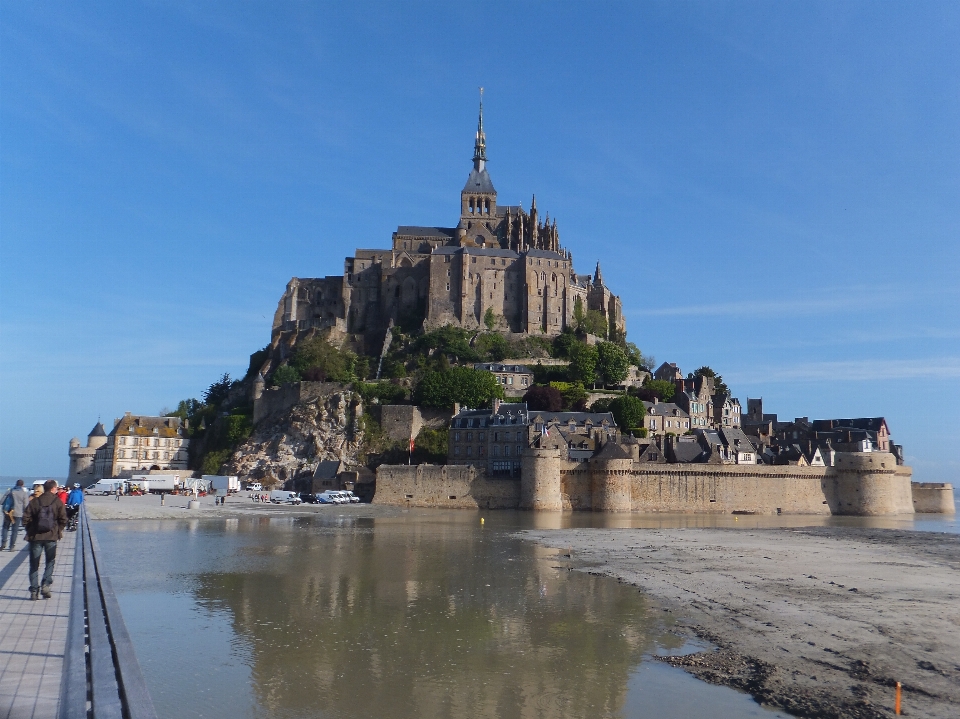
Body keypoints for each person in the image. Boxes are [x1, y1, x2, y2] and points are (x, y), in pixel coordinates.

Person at [22, 480, 67, 600]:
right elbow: (63, 519)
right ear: (53, 489)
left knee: (34, 564)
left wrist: (30, 530)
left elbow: (25, 518)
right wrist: (57, 530)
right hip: (51, 537)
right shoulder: (57, 501)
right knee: (50, 562)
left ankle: (34, 591)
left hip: (36, 537)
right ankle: (45, 585)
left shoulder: (35, 501)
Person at [1, 479, 31, 551]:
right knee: (15, 530)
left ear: (16, 484)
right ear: (22, 485)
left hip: (7, 512)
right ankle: (12, 546)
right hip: (18, 513)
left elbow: (1, 501)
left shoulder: (10, 491)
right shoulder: (24, 493)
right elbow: (26, 505)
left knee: (5, 528)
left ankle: (3, 543)